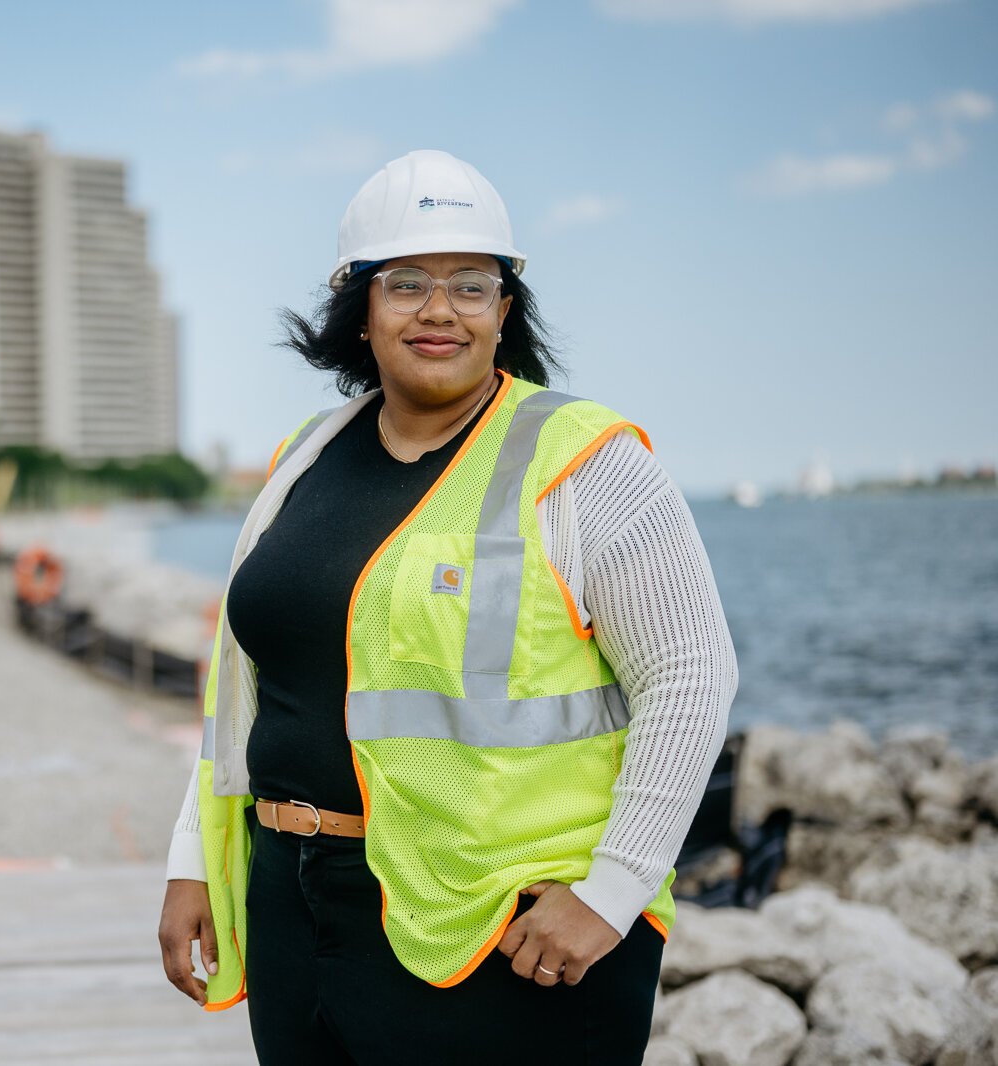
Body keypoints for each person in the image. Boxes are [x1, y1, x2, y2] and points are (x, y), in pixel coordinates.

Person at [156, 150, 737, 1064]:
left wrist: (612, 891)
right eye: (406, 283)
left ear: (504, 311)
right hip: (291, 904)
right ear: (359, 309)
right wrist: (192, 859)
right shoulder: (305, 457)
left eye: (471, 284)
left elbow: (691, 677)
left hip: (507, 929)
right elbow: (247, 690)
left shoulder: (583, 461)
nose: (439, 309)